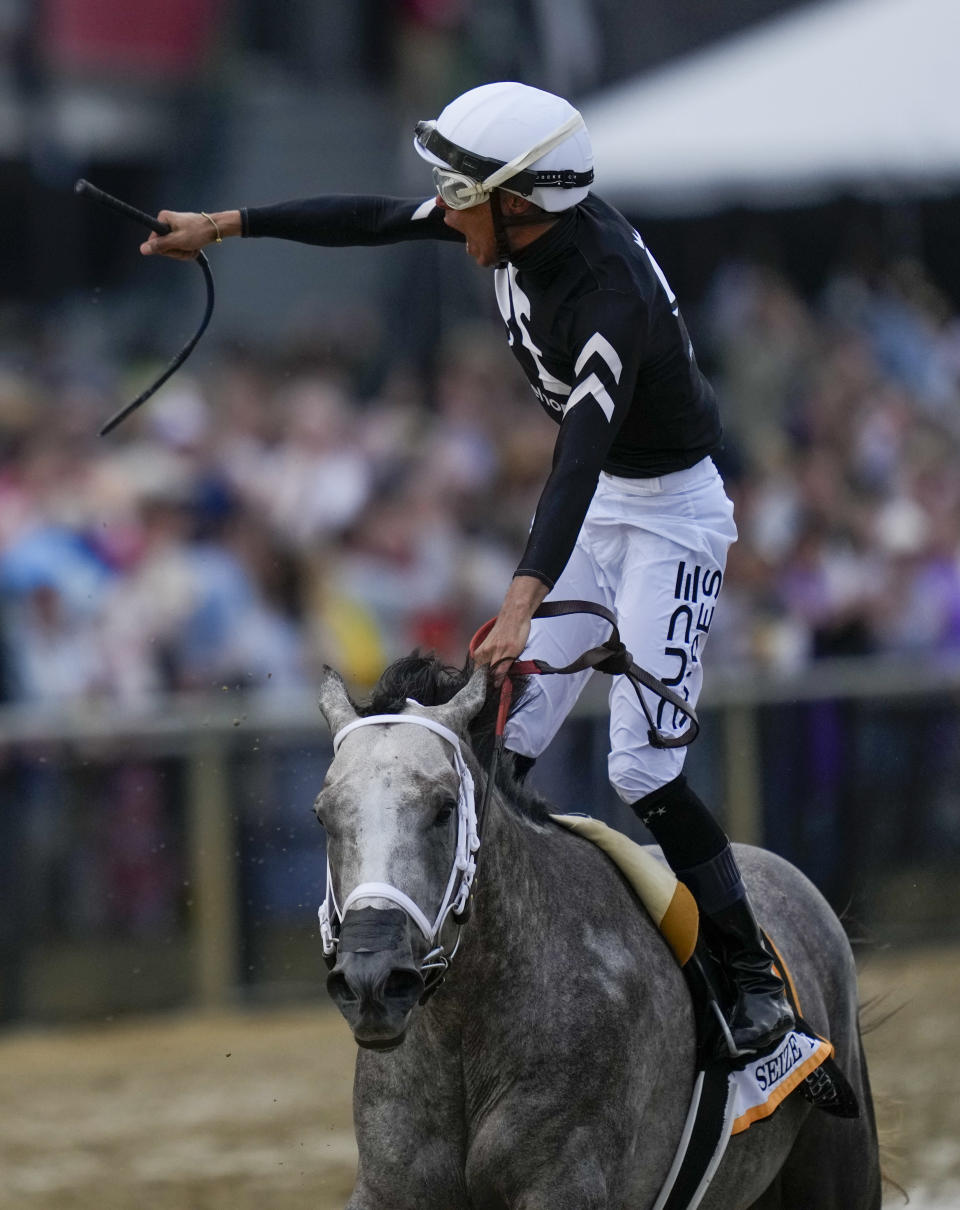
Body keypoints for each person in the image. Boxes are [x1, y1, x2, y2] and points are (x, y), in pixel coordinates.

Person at [141, 80, 793, 1053]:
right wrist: (224, 225)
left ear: (521, 203)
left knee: (642, 765)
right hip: (602, 499)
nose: (446, 210)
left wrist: (523, 597)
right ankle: (486, 967)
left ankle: (752, 983)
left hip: (669, 517)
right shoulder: (514, 216)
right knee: (497, 744)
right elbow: (369, 220)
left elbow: (577, 457)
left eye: (461, 192)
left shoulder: (604, 291)